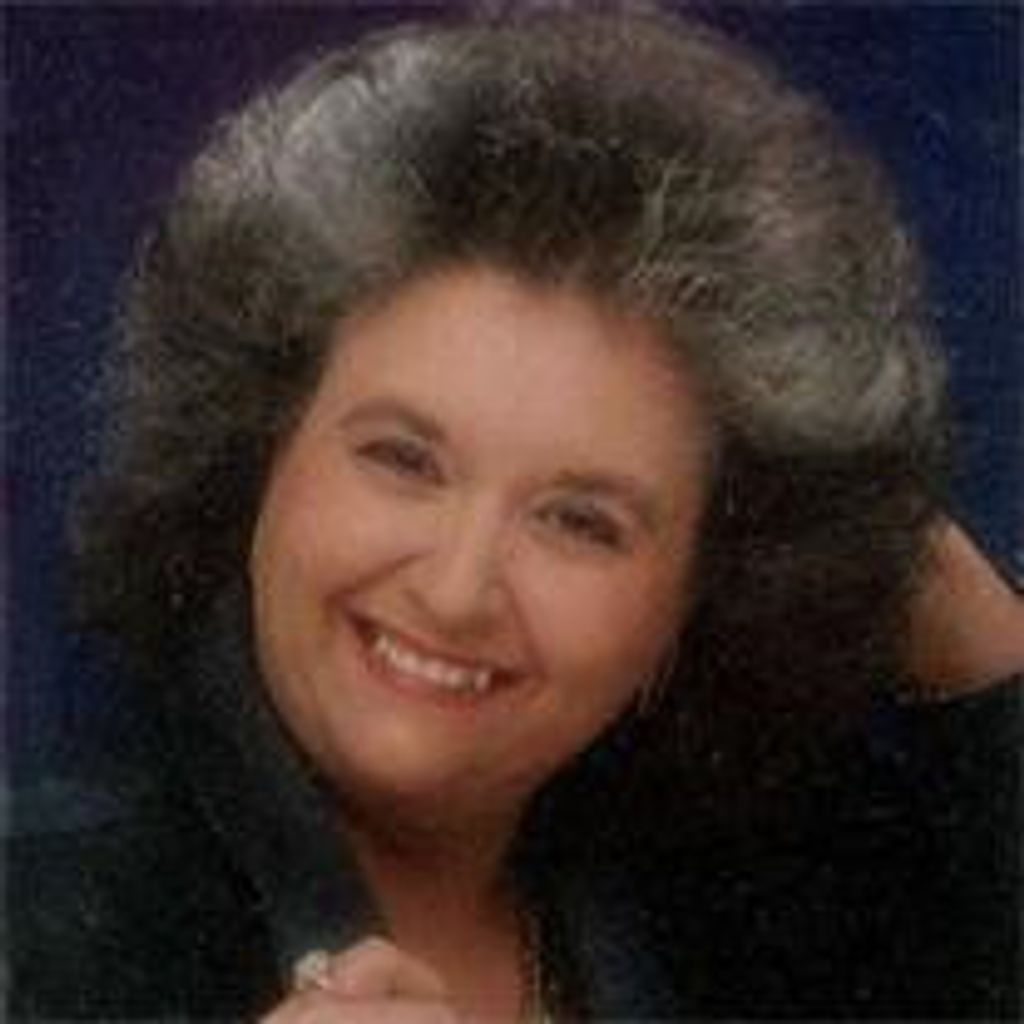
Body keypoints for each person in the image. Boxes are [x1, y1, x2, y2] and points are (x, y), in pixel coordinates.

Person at [8, 7, 1020, 1021]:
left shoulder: (733, 917)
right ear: (257, 444)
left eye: (581, 522)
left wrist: (887, 552)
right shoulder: (38, 924)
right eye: (402, 459)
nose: (456, 590)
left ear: (694, 598)